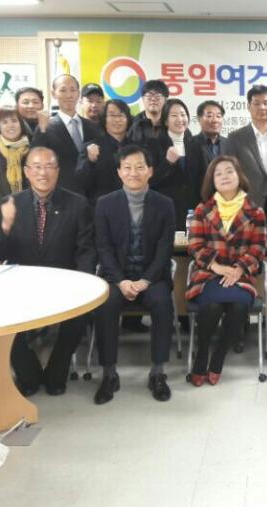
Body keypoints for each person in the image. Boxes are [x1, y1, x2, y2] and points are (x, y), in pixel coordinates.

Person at [0, 146, 96, 396]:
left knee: (81, 314)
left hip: (65, 282)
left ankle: (58, 370)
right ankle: (28, 373)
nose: (43, 173)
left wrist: (85, 283)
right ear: (26, 172)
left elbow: (86, 250)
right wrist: (5, 226)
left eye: (49, 166)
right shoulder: (10, 203)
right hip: (21, 284)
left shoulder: (77, 204)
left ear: (58, 171)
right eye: (36, 167)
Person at [93, 144, 175, 404]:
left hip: (152, 277)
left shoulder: (165, 204)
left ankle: (158, 372)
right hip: (117, 277)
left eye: (140, 167)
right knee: (106, 304)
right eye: (127, 167)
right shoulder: (105, 204)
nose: (133, 172)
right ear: (119, 172)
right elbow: (103, 248)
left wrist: (145, 280)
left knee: (162, 302)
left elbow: (164, 249)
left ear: (150, 171)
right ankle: (109, 373)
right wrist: (120, 280)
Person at [185, 156, 266, 386]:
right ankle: (202, 354)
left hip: (241, 276)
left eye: (229, 171)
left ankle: (219, 356)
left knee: (239, 306)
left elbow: (258, 247)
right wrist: (218, 267)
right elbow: (195, 245)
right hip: (208, 274)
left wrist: (239, 269)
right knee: (212, 306)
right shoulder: (202, 209)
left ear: (239, 175)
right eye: (218, 173)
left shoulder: (256, 212)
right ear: (212, 181)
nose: (224, 176)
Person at [221, 84, 267, 231]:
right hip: (245, 210)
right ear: (248, 106)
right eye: (256, 103)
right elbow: (227, 176)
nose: (262, 107)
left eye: (266, 103)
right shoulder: (235, 138)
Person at [30, 74, 103, 195]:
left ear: (78, 94)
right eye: (63, 90)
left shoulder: (93, 127)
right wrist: (41, 131)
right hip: (60, 195)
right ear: (54, 94)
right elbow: (36, 159)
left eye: (73, 90)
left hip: (91, 195)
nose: (69, 95)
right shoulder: (46, 128)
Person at [147, 98, 201, 229]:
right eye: (174, 115)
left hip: (191, 211)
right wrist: (167, 163)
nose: (180, 119)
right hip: (165, 209)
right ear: (166, 121)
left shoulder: (194, 144)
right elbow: (149, 181)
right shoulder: (154, 144)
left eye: (183, 114)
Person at [76, 99, 135, 205]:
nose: (117, 120)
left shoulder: (136, 149)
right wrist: (90, 162)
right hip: (101, 208)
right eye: (112, 115)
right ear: (104, 120)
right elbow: (80, 183)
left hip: (132, 206)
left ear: (128, 119)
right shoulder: (91, 147)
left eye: (121, 115)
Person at [0, 105, 30, 224]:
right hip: (2, 215)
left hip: (29, 212)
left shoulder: (30, 150)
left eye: (14, 121)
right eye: (4, 122)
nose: (10, 125)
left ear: (21, 124)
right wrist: (7, 207)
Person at [193, 100, 227, 183]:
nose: (215, 120)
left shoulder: (230, 144)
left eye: (218, 116)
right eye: (209, 116)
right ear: (199, 119)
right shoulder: (190, 144)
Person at [128, 79, 169, 144]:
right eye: (149, 96)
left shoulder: (172, 123)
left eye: (157, 96)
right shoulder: (133, 124)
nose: (153, 99)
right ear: (143, 99)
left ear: (166, 100)